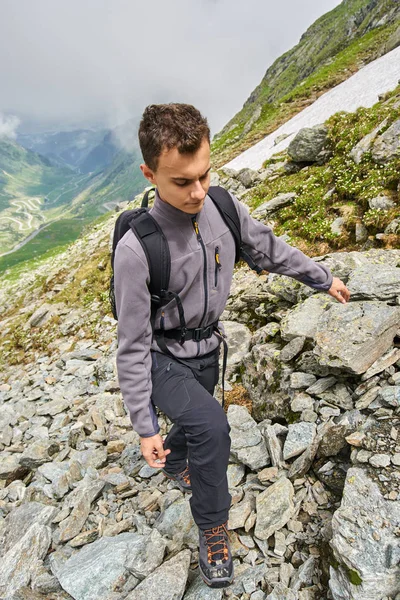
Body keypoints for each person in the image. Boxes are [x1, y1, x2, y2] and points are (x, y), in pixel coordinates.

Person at [113, 103, 351, 588]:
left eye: (204, 174)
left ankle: (177, 459)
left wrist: (322, 278)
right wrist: (144, 424)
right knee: (213, 426)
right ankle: (213, 530)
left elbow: (270, 249)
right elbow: (132, 344)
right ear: (149, 172)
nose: (198, 191)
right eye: (182, 182)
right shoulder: (137, 249)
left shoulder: (222, 208)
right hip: (162, 358)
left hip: (206, 350)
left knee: (196, 425)